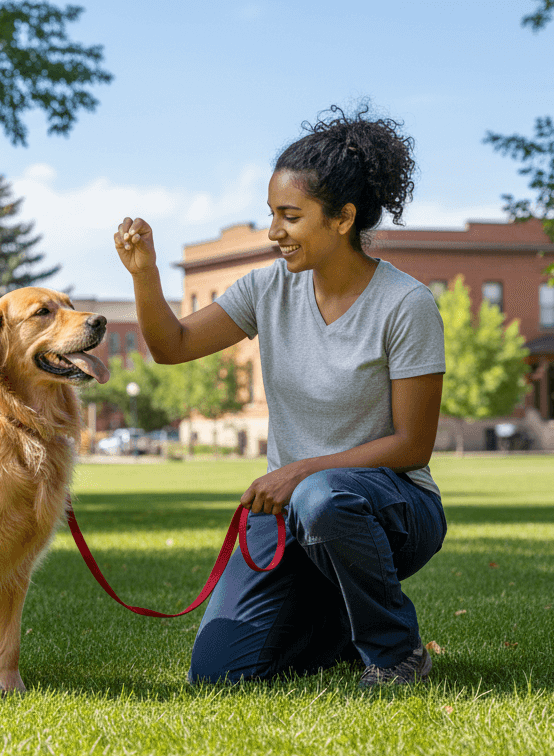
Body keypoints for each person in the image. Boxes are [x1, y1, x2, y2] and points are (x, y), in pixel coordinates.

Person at [113, 106, 447, 687]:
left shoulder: (405, 304)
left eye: (290, 216)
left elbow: (412, 445)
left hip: (389, 507)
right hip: (292, 510)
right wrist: (145, 274)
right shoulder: (269, 286)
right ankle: (343, 619)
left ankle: (396, 653)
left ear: (343, 219)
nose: (274, 232)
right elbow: (173, 345)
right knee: (218, 674)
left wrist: (300, 472)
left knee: (322, 500)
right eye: (272, 214)